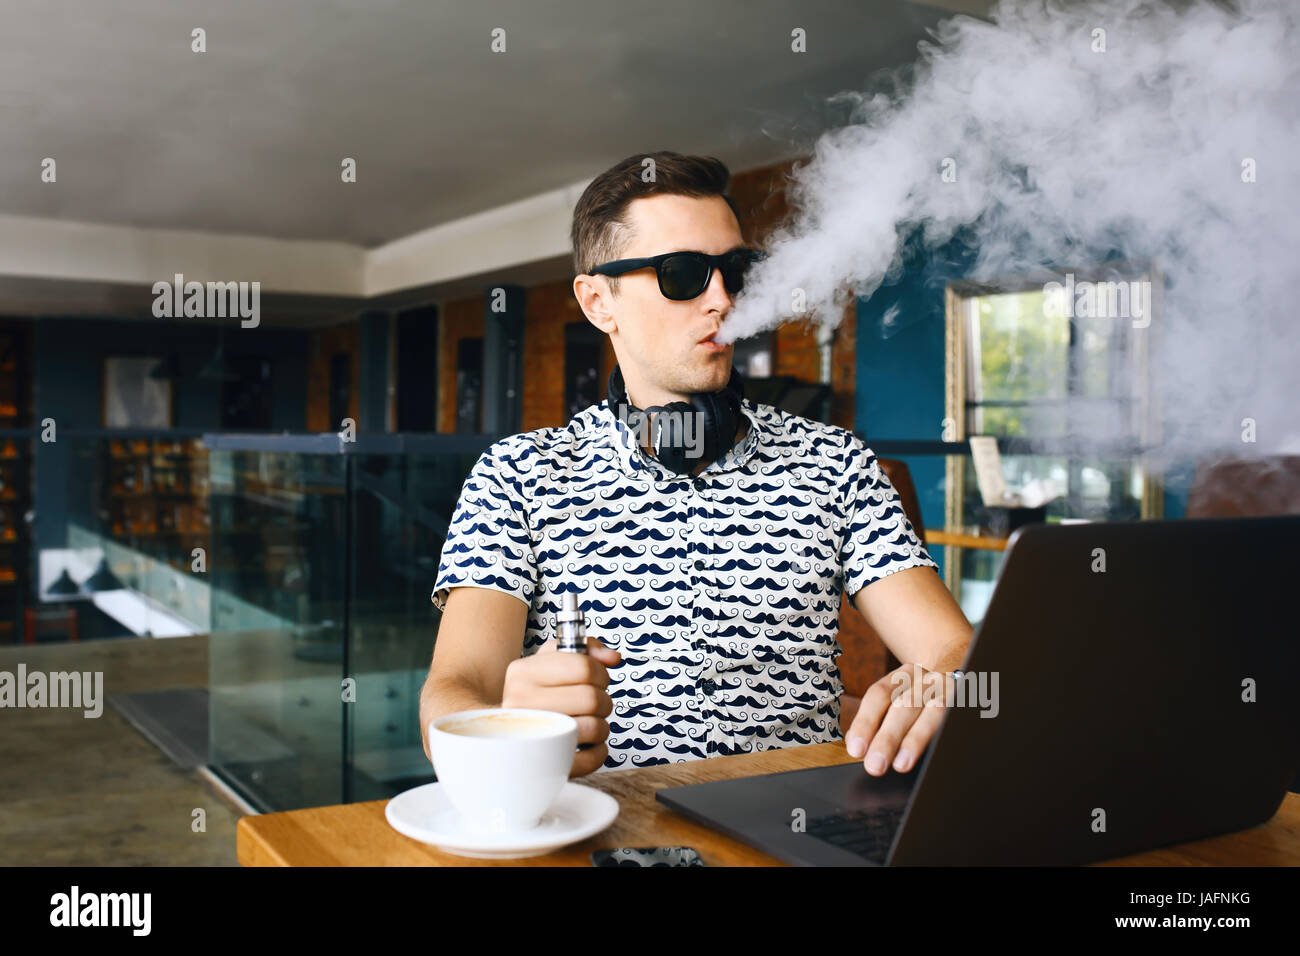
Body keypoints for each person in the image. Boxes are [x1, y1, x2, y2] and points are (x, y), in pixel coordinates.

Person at [421, 150, 972, 778]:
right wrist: (501, 727)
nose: (722, 300)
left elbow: (954, 649)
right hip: (604, 835)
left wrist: (943, 684)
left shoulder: (835, 462)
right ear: (599, 302)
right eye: (682, 275)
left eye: (734, 271)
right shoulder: (516, 475)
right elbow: (454, 690)